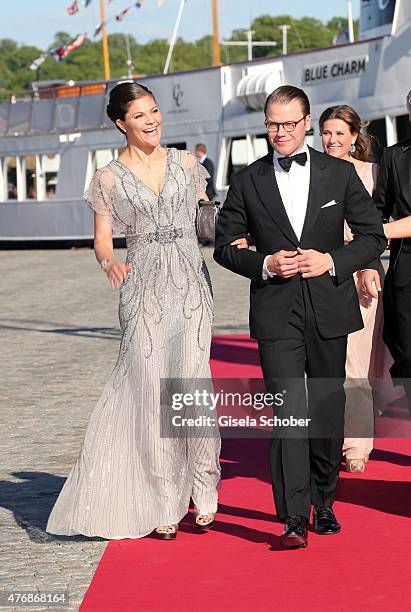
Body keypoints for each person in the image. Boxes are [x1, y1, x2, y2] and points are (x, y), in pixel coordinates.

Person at [214, 85, 386, 549]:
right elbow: (225, 247)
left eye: (289, 123)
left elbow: (373, 238)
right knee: (289, 414)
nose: (281, 132)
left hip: (331, 308)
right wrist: (265, 264)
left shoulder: (338, 174)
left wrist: (331, 260)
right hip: (276, 314)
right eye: (272, 124)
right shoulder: (248, 180)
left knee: (327, 411)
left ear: (307, 121)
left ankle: (324, 501)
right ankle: (292, 517)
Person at [47, 82, 221, 540]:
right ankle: (164, 497)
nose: (151, 120)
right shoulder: (107, 178)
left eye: (155, 111)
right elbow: (103, 238)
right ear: (121, 122)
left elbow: (215, 218)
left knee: (189, 380)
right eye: (140, 114)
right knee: (149, 392)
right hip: (141, 286)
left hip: (189, 285)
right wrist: (108, 261)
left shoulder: (188, 164)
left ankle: (204, 483)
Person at [319, 105, 383, 473]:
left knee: (355, 360)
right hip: (321, 273)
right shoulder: (313, 170)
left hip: (363, 274)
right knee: (329, 361)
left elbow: (379, 227)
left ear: (355, 136)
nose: (333, 140)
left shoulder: (372, 173)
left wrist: (367, 263)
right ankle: (330, 435)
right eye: (327, 132)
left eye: (340, 133)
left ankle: (356, 445)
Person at [372, 90, 411, 414]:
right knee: (406, 348)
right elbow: (377, 209)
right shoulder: (394, 156)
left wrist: (380, 231)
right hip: (406, 269)